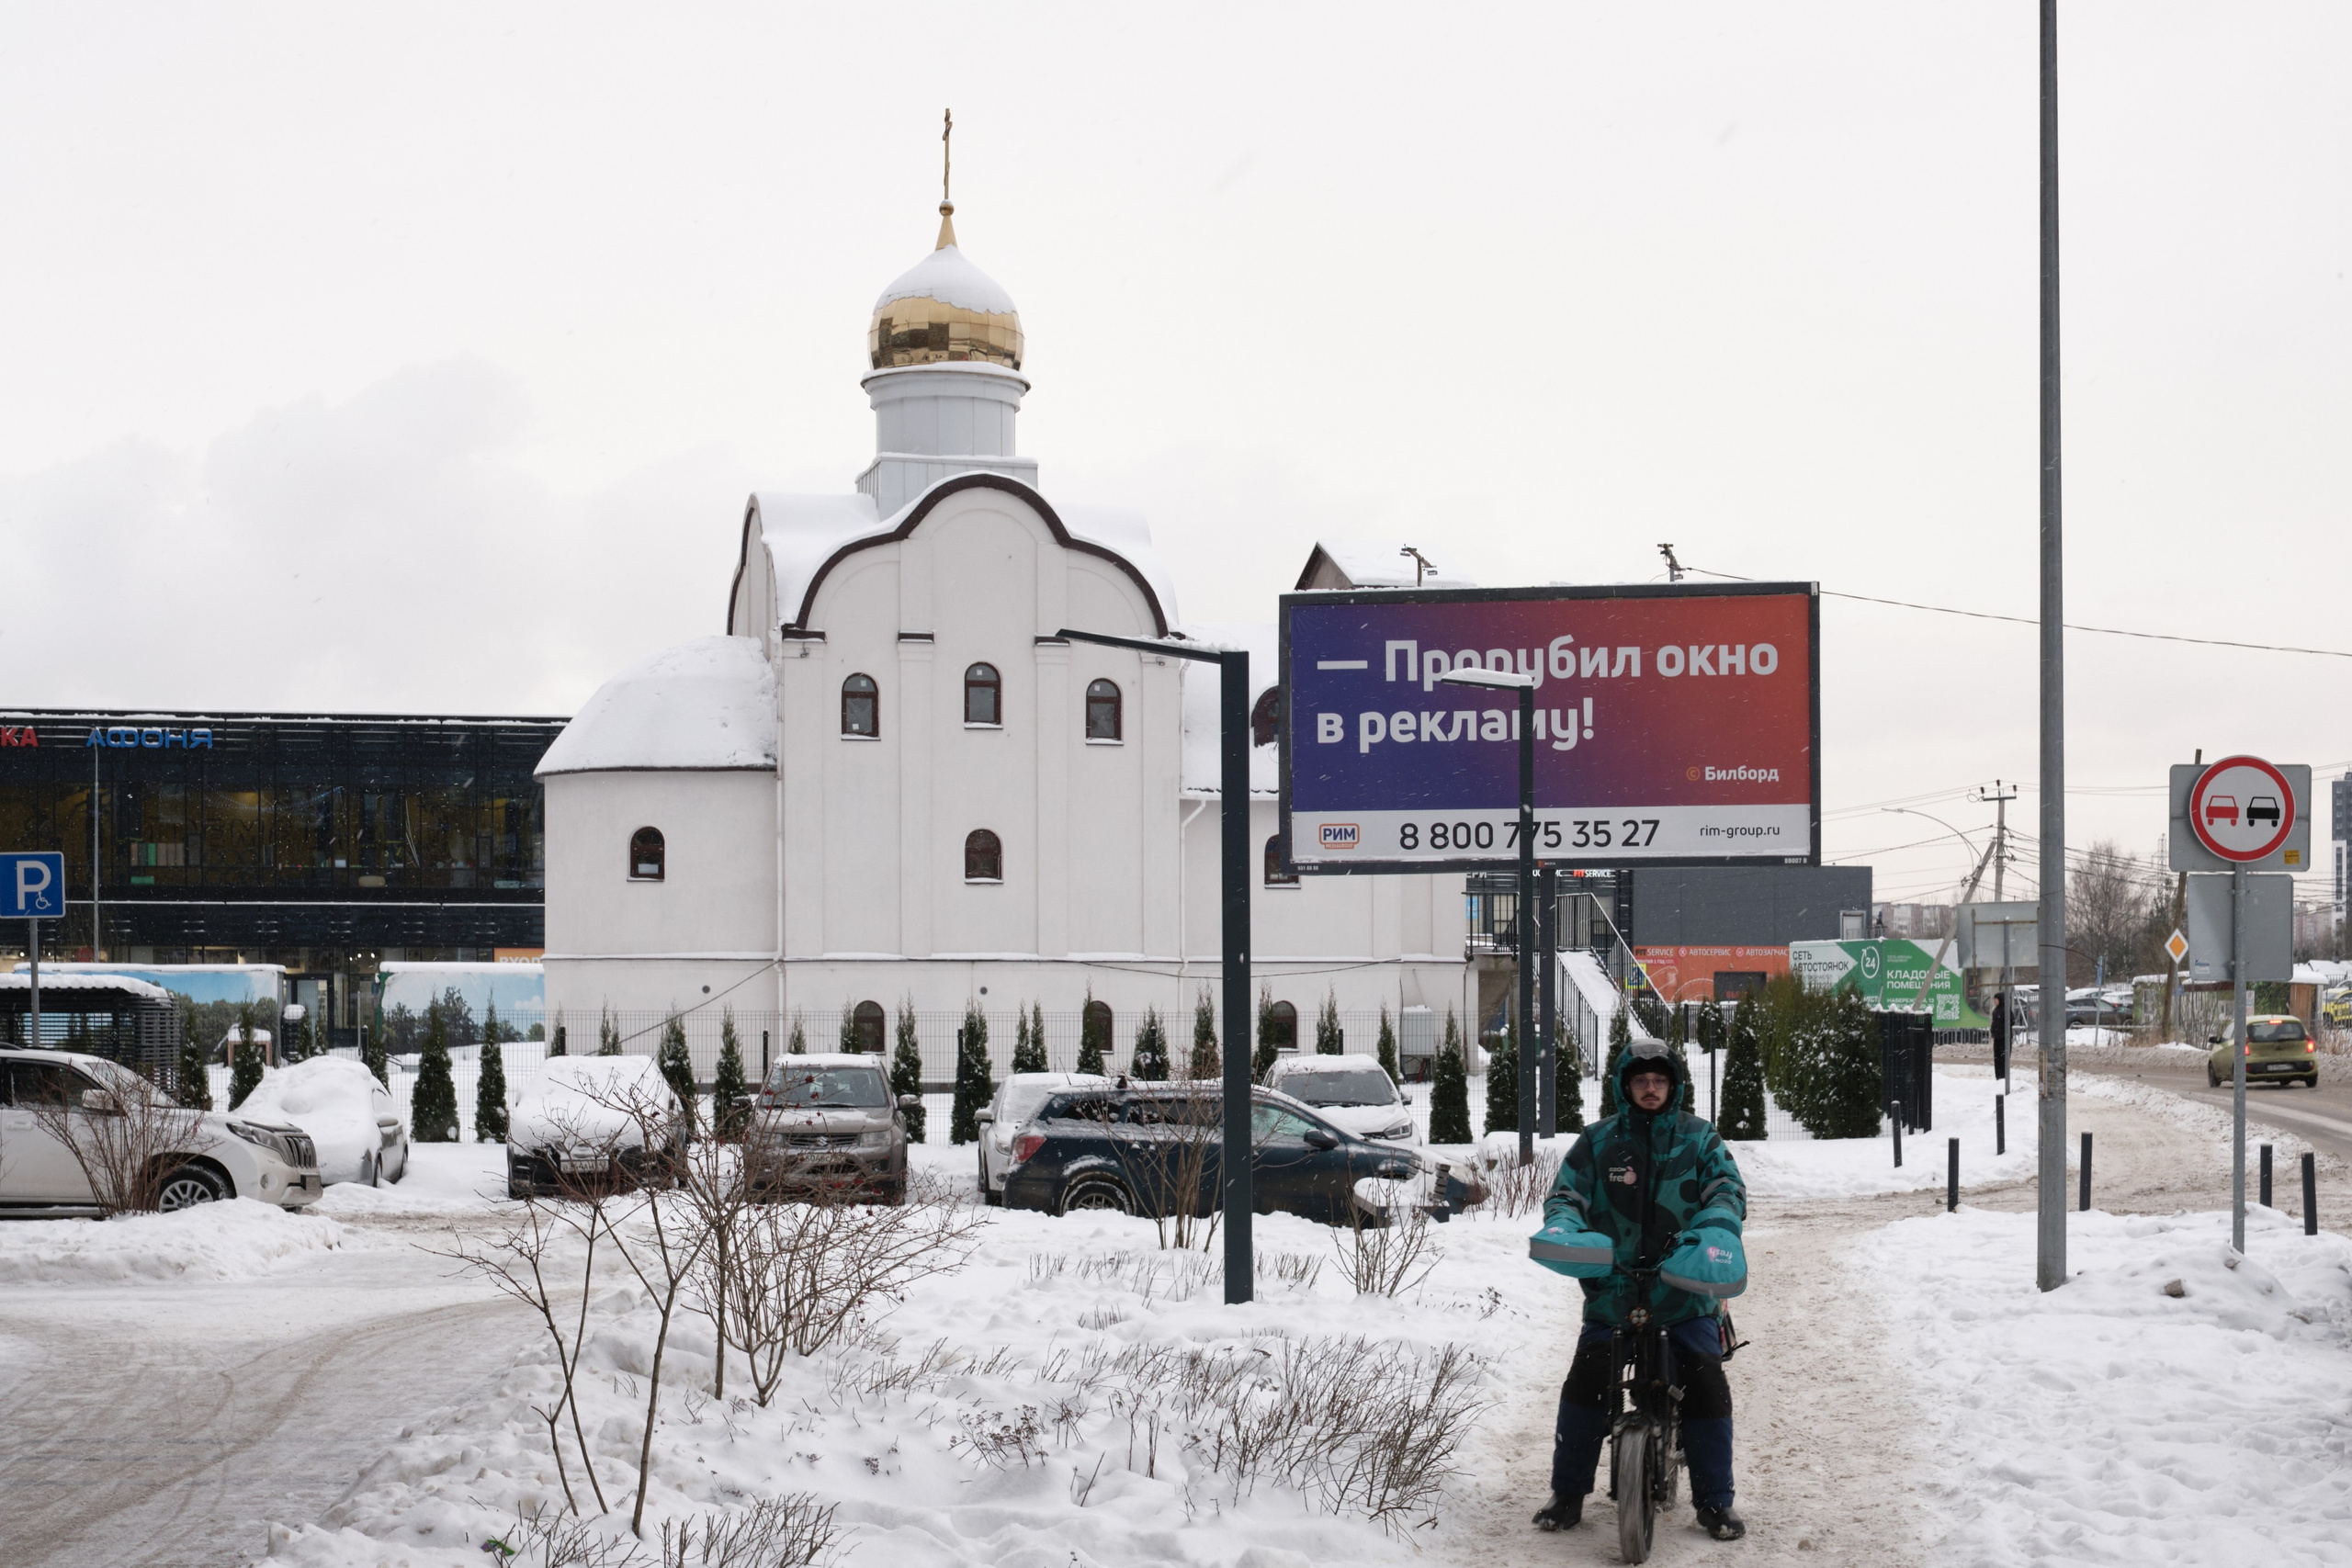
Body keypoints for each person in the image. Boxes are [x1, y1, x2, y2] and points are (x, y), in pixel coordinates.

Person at [1532, 1038, 1747, 1540]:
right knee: (1585, 1382)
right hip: (1614, 1292)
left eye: (1659, 1080)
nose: (1650, 1088)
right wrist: (1564, 1226)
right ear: (1625, 1085)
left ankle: (1716, 1503)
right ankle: (1567, 1495)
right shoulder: (1597, 1141)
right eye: (1640, 1080)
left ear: (1673, 1085)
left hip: (1685, 1291)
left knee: (1707, 1386)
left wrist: (1716, 1227)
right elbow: (1566, 1195)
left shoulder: (1700, 1139)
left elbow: (1726, 1190)